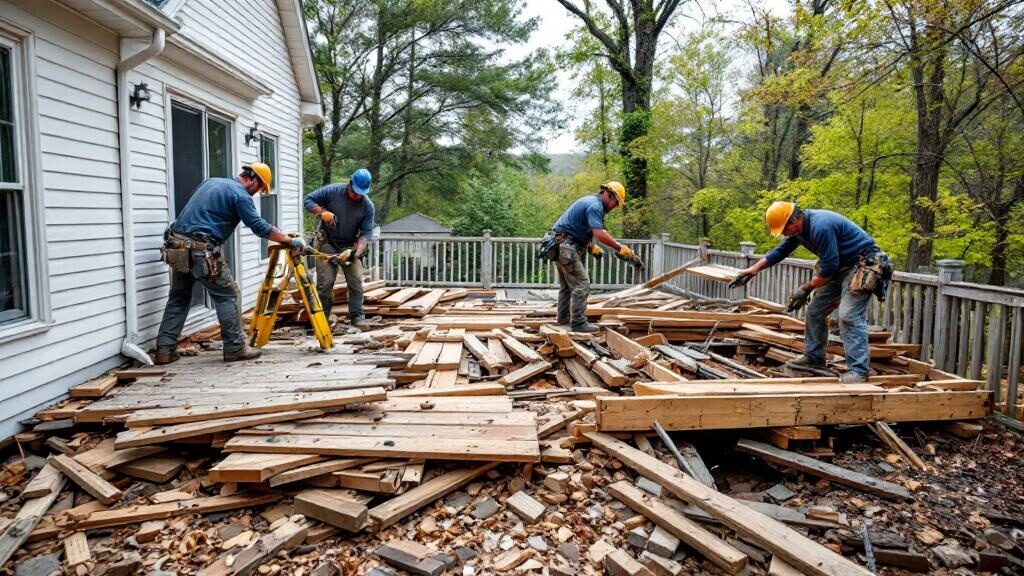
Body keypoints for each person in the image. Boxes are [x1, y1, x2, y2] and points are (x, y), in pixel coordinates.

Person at [155, 163, 305, 364]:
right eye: (259, 188)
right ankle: (235, 347)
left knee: (179, 298)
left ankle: (164, 350)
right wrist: (289, 240)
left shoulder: (211, 182)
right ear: (253, 179)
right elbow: (260, 227)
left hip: (178, 247)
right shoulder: (240, 195)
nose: (256, 193)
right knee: (228, 295)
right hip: (202, 250)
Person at [731, 201, 884, 383]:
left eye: (786, 229)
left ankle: (858, 371)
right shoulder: (799, 230)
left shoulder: (820, 226)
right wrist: (753, 269)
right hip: (838, 268)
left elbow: (829, 267)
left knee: (848, 315)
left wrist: (805, 289)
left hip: (861, 264)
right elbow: (781, 251)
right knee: (815, 312)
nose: (786, 234)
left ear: (794, 218)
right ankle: (814, 358)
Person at [543, 181, 643, 333]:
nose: (614, 207)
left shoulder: (590, 202)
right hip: (566, 247)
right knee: (582, 284)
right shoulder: (596, 206)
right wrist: (620, 248)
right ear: (609, 195)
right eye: (615, 204)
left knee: (567, 286)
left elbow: (580, 228)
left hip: (560, 245)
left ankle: (563, 318)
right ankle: (578, 323)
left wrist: (590, 246)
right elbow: (599, 233)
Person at [303, 168, 375, 328]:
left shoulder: (367, 206)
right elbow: (307, 200)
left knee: (356, 281)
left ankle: (357, 317)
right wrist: (322, 213)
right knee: (325, 284)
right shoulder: (332, 191)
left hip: (350, 246)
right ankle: (322, 319)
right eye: (355, 192)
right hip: (327, 244)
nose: (357, 196)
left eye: (361, 193)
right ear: (350, 183)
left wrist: (355, 252)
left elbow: (365, 234)